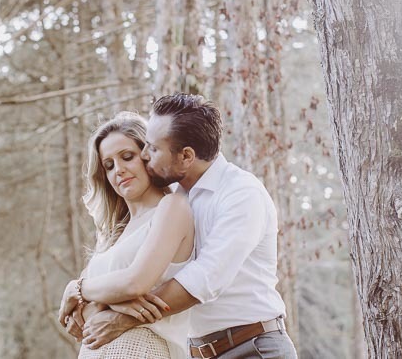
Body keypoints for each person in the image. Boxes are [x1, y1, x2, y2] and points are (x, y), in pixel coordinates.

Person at [64, 94, 297, 359]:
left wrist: (123, 317)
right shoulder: (174, 196)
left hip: (250, 346)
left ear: (186, 156)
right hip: (198, 351)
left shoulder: (240, 193)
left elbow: (206, 278)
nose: (144, 155)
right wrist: (85, 297)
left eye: (153, 149)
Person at [59, 111, 195, 358]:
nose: (118, 170)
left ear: (149, 156)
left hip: (145, 350)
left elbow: (135, 282)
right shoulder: (111, 235)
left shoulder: (172, 207)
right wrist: (110, 300)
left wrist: (77, 288)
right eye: (109, 165)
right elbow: (78, 319)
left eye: (127, 157)